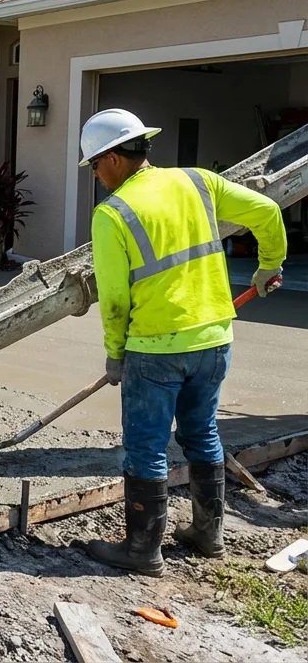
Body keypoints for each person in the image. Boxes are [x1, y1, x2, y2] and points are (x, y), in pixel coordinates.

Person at [79, 108, 285, 576]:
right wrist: (268, 266)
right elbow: (268, 210)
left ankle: (142, 549)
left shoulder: (112, 214)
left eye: (94, 163)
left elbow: (114, 299)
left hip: (154, 349)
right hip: (214, 338)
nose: (94, 173)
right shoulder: (198, 182)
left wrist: (115, 354)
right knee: (202, 433)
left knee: (146, 447)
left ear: (113, 158)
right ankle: (208, 536)